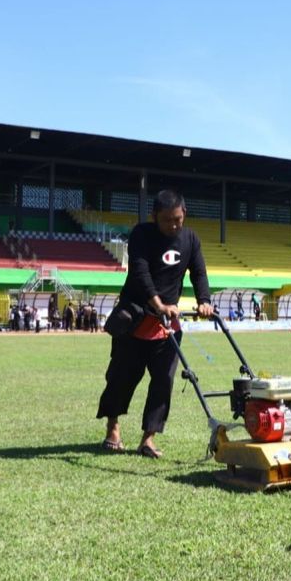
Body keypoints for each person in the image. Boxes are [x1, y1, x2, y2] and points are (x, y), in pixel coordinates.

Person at [97, 190, 213, 457]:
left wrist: (204, 300)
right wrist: (157, 303)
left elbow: (198, 272)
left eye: (178, 220)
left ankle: (148, 438)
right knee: (121, 378)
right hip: (135, 320)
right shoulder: (142, 234)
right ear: (154, 217)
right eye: (167, 220)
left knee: (163, 382)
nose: (173, 225)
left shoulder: (191, 239)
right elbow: (139, 271)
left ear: (184, 214)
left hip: (167, 326)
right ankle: (112, 427)